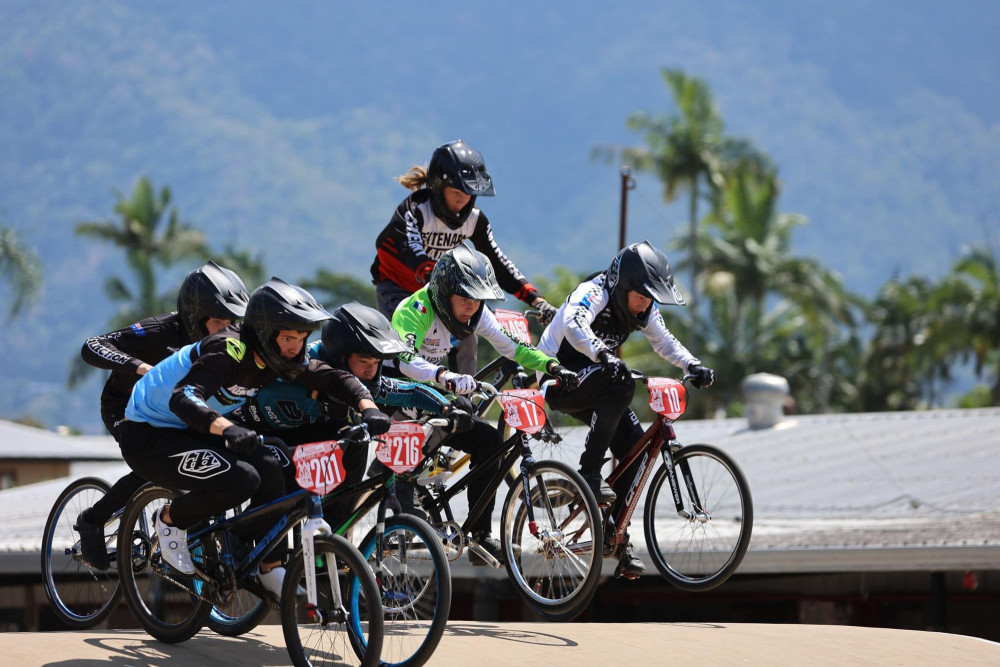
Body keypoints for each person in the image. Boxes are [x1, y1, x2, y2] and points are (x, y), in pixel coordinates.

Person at [118, 278, 389, 597]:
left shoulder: (279, 356)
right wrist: (228, 429)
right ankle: (169, 519)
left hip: (195, 428)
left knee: (272, 464)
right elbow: (184, 397)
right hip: (150, 433)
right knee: (243, 478)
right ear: (264, 332)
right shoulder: (229, 349)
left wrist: (368, 408)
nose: (296, 347)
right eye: (289, 338)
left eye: (302, 338)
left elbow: (334, 378)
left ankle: (268, 566)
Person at [387, 244, 579, 564]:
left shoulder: (477, 314)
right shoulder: (415, 310)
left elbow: (514, 348)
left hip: (439, 404)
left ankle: (477, 535)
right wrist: (444, 376)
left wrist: (552, 366)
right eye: (465, 299)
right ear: (443, 293)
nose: (472, 307)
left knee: (490, 441)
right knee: (404, 484)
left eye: (478, 300)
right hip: (401, 402)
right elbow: (404, 361)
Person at [537, 241, 716, 578]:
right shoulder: (593, 292)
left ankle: (616, 540)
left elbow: (663, 341)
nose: (643, 304)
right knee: (621, 383)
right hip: (557, 374)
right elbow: (575, 326)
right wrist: (603, 353)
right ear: (622, 285)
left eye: (649, 298)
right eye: (640, 296)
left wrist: (693, 365)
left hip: (596, 379)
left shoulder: (643, 308)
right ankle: (589, 473)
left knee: (636, 451)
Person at [227, 301, 475, 527]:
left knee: (355, 438)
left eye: (377, 362)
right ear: (340, 357)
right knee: (283, 497)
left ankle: (336, 537)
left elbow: (409, 391)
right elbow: (276, 393)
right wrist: (326, 403)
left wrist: (448, 406)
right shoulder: (304, 363)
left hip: (307, 433)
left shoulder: (364, 378)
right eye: (364, 361)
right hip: (261, 434)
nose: (371, 370)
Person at [74, 261, 250, 570]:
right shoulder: (159, 331)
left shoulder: (230, 341)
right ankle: (92, 520)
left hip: (179, 410)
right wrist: (140, 367)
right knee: (152, 464)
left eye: (232, 321)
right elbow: (93, 346)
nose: (228, 329)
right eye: (219, 321)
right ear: (195, 316)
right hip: (127, 408)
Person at [369, 139, 558, 375]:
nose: (462, 200)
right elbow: (412, 252)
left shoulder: (475, 221)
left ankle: (462, 401)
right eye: (456, 192)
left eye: (468, 193)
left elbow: (498, 262)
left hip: (445, 294)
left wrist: (535, 299)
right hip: (400, 290)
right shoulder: (415, 210)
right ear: (437, 188)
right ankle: (395, 402)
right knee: (404, 352)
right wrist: (437, 277)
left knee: (467, 336)